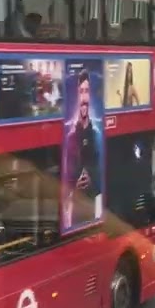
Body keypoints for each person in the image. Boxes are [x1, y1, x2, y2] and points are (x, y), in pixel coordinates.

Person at [63, 70, 103, 228]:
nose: (84, 97)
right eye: (81, 91)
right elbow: (65, 181)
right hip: (75, 209)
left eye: (87, 91)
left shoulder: (97, 135)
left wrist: (91, 179)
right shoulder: (70, 137)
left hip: (94, 208)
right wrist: (74, 186)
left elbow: (103, 176)